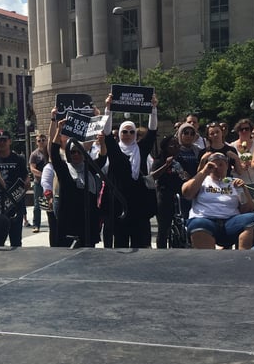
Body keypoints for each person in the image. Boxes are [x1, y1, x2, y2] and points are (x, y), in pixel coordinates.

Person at [102, 93, 159, 248]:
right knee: (120, 243)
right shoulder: (115, 150)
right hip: (119, 205)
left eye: (131, 132)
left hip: (139, 205)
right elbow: (106, 133)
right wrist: (108, 109)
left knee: (141, 244)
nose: (128, 135)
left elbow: (152, 131)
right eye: (124, 132)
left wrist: (153, 109)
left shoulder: (140, 149)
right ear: (119, 134)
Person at [182, 152, 254, 249]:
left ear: (227, 166)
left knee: (253, 219)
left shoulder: (234, 183)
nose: (217, 167)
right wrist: (204, 171)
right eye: (213, 165)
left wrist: (241, 190)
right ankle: (208, 260)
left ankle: (244, 257)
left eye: (221, 164)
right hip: (205, 219)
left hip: (230, 221)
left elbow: (247, 209)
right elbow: (187, 193)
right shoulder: (202, 180)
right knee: (198, 224)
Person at [50, 119, 103, 247]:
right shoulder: (64, 169)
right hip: (69, 220)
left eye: (79, 151)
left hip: (88, 220)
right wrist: (59, 130)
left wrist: (103, 142)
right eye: (72, 151)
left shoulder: (88, 168)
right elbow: (54, 153)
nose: (76, 154)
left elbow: (103, 158)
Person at [0, 129, 30, 247]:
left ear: (9, 141)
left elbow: (26, 177)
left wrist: (27, 183)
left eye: (4, 140)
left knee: (16, 240)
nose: (1, 143)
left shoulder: (19, 159)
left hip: (15, 203)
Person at [150, 135, 188, 249]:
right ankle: (161, 250)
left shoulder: (181, 160)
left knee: (181, 225)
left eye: (177, 145)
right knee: (163, 228)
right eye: (172, 145)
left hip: (179, 195)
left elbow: (186, 177)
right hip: (164, 195)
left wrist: (186, 176)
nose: (175, 147)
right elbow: (153, 176)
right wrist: (166, 165)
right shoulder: (159, 160)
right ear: (166, 147)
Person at [229, 118, 254, 193]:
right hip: (239, 183)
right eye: (241, 129)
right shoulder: (232, 146)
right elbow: (228, 166)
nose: (244, 131)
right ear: (238, 131)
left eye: (247, 129)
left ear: (251, 130)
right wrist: (238, 166)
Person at [29, 133, 48, 233]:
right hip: (38, 182)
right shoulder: (34, 154)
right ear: (36, 143)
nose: (41, 142)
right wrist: (43, 175)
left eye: (43, 140)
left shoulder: (50, 152)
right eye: (39, 141)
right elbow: (32, 168)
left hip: (50, 183)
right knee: (37, 204)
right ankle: (36, 225)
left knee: (52, 203)